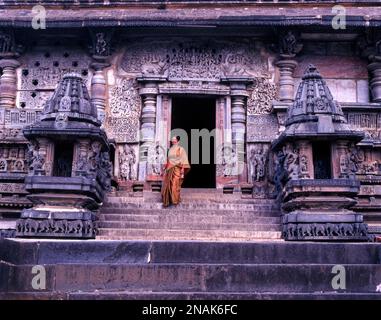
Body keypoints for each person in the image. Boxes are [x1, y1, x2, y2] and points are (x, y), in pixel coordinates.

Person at [161, 136, 190, 207]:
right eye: (172, 139)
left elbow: (183, 160)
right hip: (169, 168)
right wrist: (164, 167)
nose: (173, 140)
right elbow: (168, 159)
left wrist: (182, 170)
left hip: (177, 169)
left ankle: (175, 200)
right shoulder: (170, 149)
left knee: (175, 184)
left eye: (174, 139)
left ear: (178, 141)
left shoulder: (181, 149)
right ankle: (169, 200)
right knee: (168, 185)